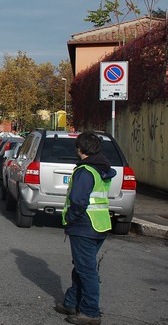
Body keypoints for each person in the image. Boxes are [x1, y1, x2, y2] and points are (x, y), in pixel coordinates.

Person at [55, 132, 115, 325]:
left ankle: (90, 312)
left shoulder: (85, 171)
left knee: (86, 270)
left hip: (84, 226)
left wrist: (70, 219)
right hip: (100, 224)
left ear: (80, 149)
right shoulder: (101, 168)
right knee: (82, 267)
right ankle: (71, 302)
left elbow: (78, 201)